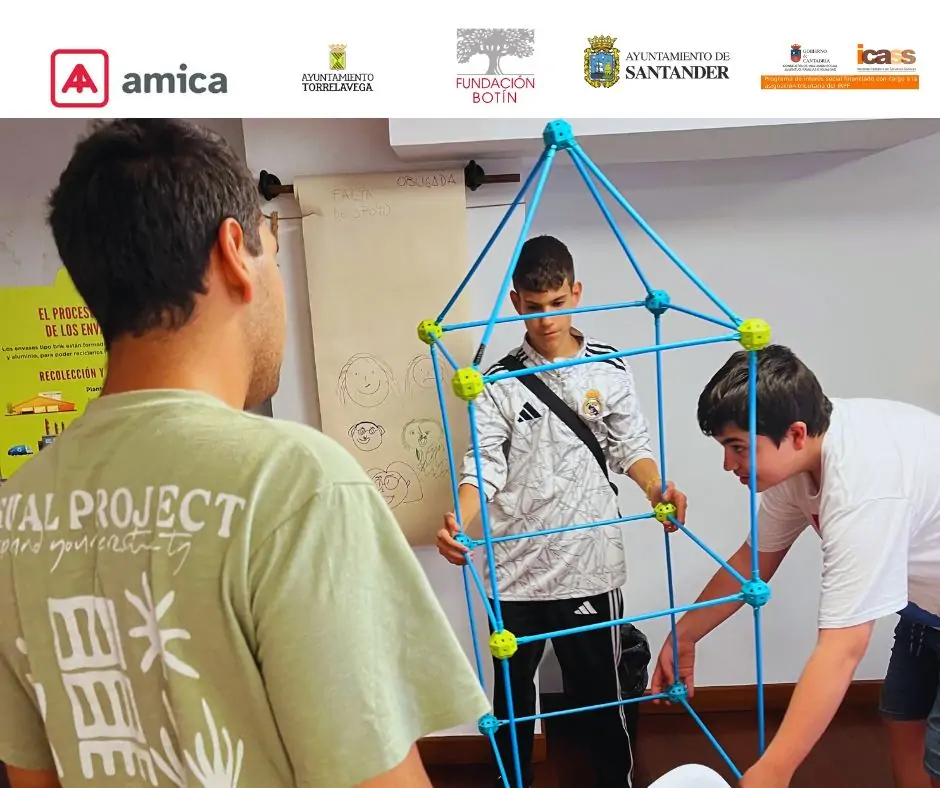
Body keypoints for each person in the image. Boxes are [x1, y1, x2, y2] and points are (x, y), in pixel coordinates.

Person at [0, 119, 491, 788]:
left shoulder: (15, 509)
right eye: (274, 251)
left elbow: (34, 778)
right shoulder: (294, 485)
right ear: (236, 250)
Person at [436, 235, 688, 788]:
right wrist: (461, 520)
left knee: (603, 701)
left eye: (556, 304)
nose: (546, 319)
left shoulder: (610, 366)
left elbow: (631, 448)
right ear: (515, 301)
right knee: (511, 710)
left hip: (589, 565)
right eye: (532, 307)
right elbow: (483, 467)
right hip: (515, 572)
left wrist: (655, 490)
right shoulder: (496, 380)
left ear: (576, 293)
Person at [650, 344, 940, 788]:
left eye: (737, 447)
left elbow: (842, 649)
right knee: (905, 724)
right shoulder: (800, 460)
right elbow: (752, 562)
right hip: (925, 608)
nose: (728, 464)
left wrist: (774, 770)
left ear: (797, 433)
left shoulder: (864, 486)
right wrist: (684, 634)